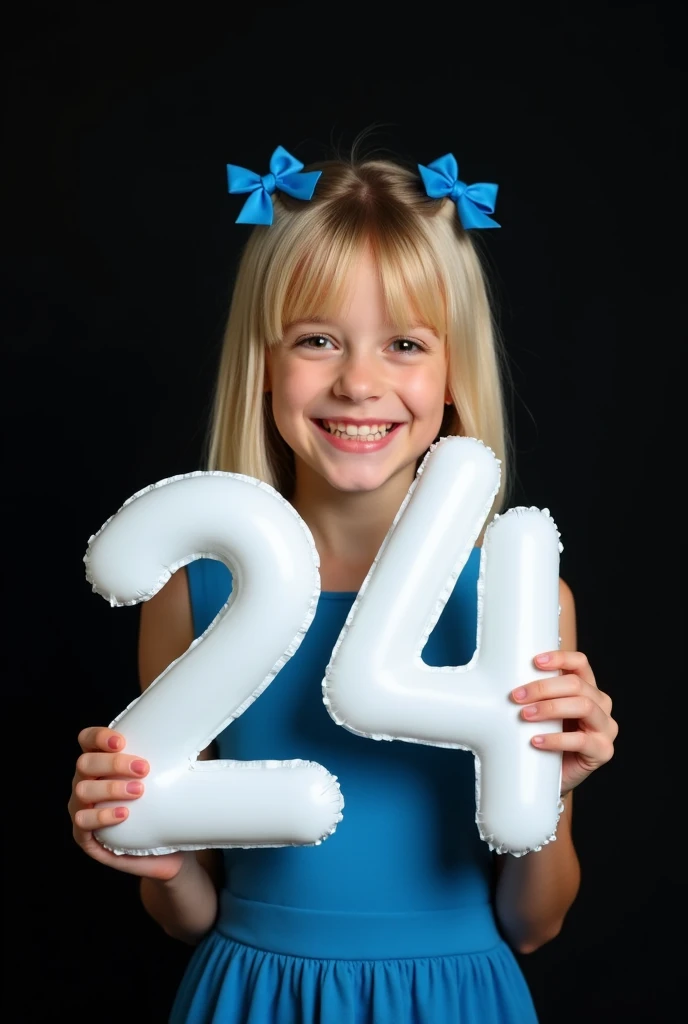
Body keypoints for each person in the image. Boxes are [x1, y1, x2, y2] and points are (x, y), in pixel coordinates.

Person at [68, 143, 618, 1023]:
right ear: (265, 365)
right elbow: (190, 914)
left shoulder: (522, 600)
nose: (360, 382)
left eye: (405, 344)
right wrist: (153, 860)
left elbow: (534, 921)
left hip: (455, 998)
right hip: (252, 996)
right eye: (317, 340)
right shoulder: (194, 593)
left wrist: (557, 789)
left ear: (451, 380)